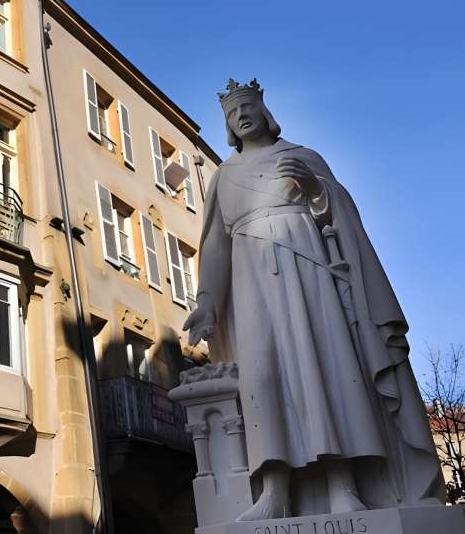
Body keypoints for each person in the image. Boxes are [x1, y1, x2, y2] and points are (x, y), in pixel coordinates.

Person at [183, 79, 444, 520]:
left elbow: (339, 211)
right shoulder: (224, 176)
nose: (241, 115)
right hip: (252, 287)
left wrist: (318, 190)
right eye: (232, 113)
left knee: (326, 369)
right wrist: (208, 301)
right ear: (227, 126)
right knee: (263, 378)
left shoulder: (302, 157)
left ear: (265, 112)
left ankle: (344, 484)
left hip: (309, 274)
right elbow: (214, 245)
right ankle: (275, 491)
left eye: (247, 107)